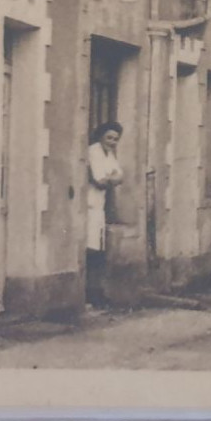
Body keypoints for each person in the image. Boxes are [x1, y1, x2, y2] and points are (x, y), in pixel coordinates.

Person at [85, 121, 124, 306]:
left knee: (99, 250)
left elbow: (120, 176)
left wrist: (111, 179)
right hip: (89, 206)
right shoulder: (93, 151)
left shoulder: (109, 154)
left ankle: (96, 292)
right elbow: (99, 180)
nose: (112, 142)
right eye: (109, 137)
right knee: (92, 250)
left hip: (99, 207)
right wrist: (111, 179)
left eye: (116, 139)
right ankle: (90, 293)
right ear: (100, 136)